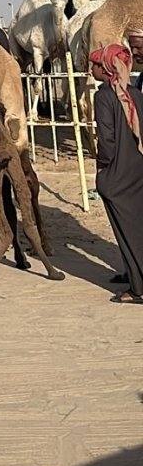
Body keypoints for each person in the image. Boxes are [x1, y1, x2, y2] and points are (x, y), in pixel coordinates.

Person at [90, 43, 143, 304]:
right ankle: (133, 275)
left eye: (96, 65)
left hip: (117, 175)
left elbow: (107, 142)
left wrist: (102, 169)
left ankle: (139, 289)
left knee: (128, 232)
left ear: (107, 68)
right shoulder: (136, 94)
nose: (91, 69)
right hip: (137, 171)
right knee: (137, 226)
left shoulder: (103, 96)